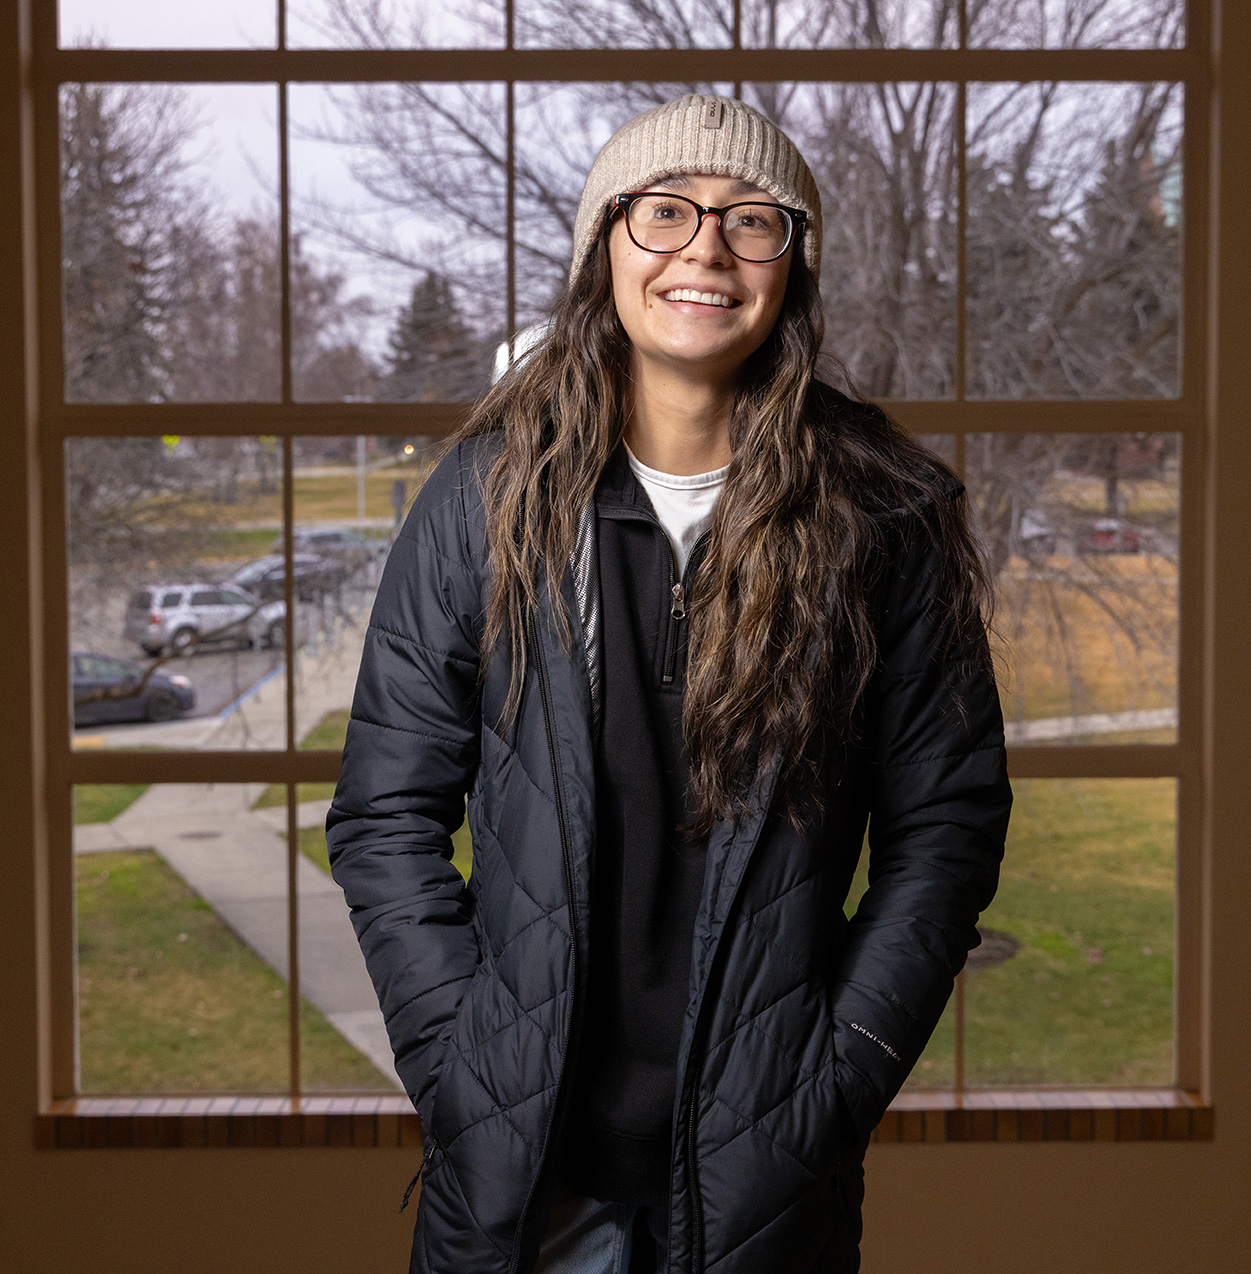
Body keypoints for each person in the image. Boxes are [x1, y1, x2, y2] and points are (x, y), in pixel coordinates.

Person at [326, 94, 1012, 1274]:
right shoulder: (484, 504)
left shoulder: (884, 515)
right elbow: (384, 814)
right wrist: (456, 1053)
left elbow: (944, 828)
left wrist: (836, 1070)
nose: (705, 246)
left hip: (763, 1171)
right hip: (523, 1176)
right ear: (607, 246)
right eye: (665, 212)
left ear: (792, 267)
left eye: (753, 220)